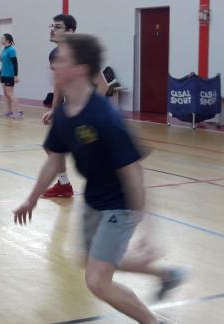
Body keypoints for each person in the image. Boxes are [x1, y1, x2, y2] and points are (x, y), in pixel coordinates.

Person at [13, 34, 185, 324]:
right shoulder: (66, 115)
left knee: (98, 281)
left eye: (62, 59)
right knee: (87, 259)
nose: (54, 64)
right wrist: (30, 199)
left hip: (120, 205)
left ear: (80, 68)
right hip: (94, 199)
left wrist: (148, 231)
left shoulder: (105, 117)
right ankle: (166, 273)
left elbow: (134, 174)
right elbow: (54, 160)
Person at [42, 14, 111, 198]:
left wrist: (90, 111)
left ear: (70, 31)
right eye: (53, 26)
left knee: (91, 154)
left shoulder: (81, 55)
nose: (52, 30)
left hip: (85, 115)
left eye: (58, 27)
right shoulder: (55, 55)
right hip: (68, 112)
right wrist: (54, 110)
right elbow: (59, 85)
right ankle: (64, 185)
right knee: (51, 147)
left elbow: (103, 85)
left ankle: (109, 188)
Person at [0, 33, 22, 119]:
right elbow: (4, 64)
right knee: (5, 93)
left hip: (10, 75)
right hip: (3, 74)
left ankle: (20, 112)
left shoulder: (11, 50)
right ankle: (9, 111)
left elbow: (15, 63)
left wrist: (15, 75)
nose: (1, 40)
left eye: (2, 38)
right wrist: (0, 74)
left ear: (7, 40)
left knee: (10, 93)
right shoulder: (4, 50)